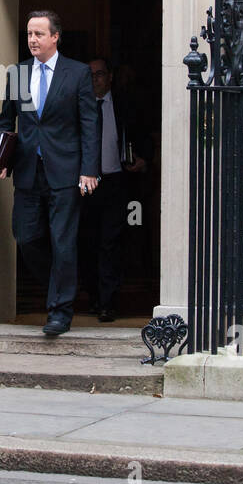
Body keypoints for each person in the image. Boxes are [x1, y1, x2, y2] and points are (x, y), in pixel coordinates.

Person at [0, 11, 99, 336]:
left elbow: (89, 124)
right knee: (25, 237)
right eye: (29, 34)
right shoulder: (19, 73)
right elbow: (5, 120)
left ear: (55, 37)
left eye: (39, 34)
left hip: (65, 172)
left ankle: (59, 313)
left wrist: (89, 169)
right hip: (27, 171)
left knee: (63, 241)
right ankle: (61, 283)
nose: (32, 40)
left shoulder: (77, 73)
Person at [78, 57, 148, 322]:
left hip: (116, 182)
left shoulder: (124, 105)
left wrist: (144, 159)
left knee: (111, 243)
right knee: (87, 242)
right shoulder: (79, 105)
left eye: (100, 74)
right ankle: (94, 298)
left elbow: (142, 134)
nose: (95, 79)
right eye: (91, 74)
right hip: (84, 184)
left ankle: (108, 302)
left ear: (110, 78)